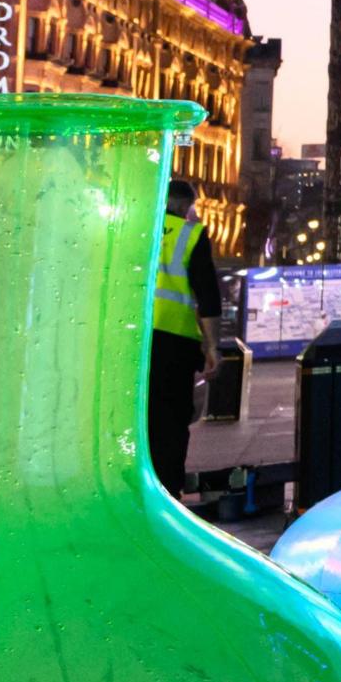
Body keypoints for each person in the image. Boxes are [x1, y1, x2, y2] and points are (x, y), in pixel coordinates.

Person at [147, 178, 223, 494]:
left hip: (134, 340)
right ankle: (168, 489)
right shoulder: (191, 234)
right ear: (184, 205)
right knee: (173, 421)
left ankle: (137, 485)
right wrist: (213, 347)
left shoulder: (136, 230)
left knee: (140, 414)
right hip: (175, 341)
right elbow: (208, 295)